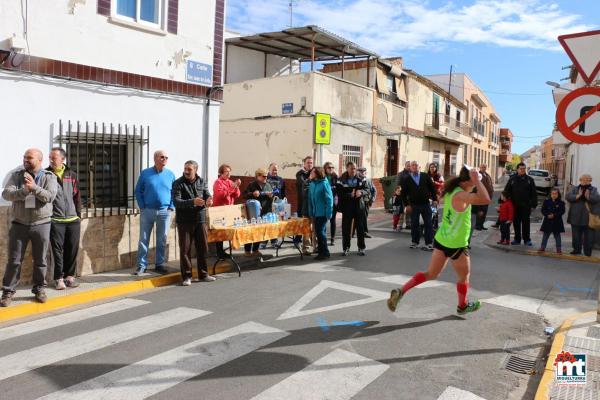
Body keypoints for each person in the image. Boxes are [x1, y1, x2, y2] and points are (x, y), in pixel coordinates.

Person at [387, 166, 491, 315]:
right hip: (457, 243)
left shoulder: (452, 190)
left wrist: (474, 181)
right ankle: (462, 306)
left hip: (442, 239)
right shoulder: (461, 195)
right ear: (469, 181)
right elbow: (486, 199)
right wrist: (477, 180)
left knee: (431, 274)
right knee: (463, 277)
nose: (476, 185)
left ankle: (401, 291)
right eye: (474, 183)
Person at [1, 149, 58, 306]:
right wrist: (23, 191)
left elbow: (50, 196)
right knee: (14, 260)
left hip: (42, 224)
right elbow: (6, 194)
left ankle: (39, 288)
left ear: (39, 160)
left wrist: (34, 188)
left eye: (29, 157)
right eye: (24, 157)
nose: (25, 159)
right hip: (19, 224)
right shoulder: (16, 175)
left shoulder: (49, 177)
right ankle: (8, 291)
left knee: (40, 260)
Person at [172, 160, 216, 286]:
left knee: (202, 248)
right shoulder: (178, 183)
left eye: (189, 169)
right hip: (184, 221)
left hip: (200, 219)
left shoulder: (201, 181)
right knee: (185, 249)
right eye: (185, 168)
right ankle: (186, 276)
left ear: (195, 170)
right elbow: (176, 202)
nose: (186, 171)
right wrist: (192, 202)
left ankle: (203, 274)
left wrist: (209, 200)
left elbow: (207, 194)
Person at [133, 150, 176, 275]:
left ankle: (160, 264)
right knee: (143, 239)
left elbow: (174, 192)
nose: (164, 159)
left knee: (162, 239)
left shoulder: (170, 174)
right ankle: (142, 265)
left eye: (166, 157)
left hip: (164, 211)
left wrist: (171, 206)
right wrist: (142, 206)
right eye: (162, 157)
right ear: (155, 158)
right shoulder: (145, 173)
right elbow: (138, 191)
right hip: (148, 211)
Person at [47, 148, 81, 290]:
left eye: (54, 157)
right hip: (56, 220)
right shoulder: (47, 174)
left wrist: (78, 215)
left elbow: (77, 196)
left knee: (72, 249)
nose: (51, 160)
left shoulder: (71, 174)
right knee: (57, 251)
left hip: (73, 220)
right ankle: (58, 278)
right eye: (50, 157)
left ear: (62, 159)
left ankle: (70, 276)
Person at [401, 161, 438, 251]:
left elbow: (432, 188)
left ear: (419, 167)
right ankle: (415, 242)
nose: (414, 167)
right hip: (414, 205)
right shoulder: (407, 178)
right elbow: (403, 193)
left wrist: (435, 199)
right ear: (410, 167)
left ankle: (429, 243)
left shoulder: (425, 176)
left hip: (425, 204)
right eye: (412, 165)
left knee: (428, 223)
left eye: (416, 165)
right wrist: (407, 205)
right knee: (414, 224)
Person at [337, 161, 368, 256]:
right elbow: (339, 193)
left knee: (360, 228)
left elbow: (367, 189)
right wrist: (349, 195)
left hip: (359, 206)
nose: (353, 170)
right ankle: (346, 248)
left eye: (355, 168)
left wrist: (361, 192)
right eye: (351, 168)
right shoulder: (341, 179)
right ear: (347, 168)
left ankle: (361, 248)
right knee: (346, 228)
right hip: (347, 207)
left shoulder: (362, 178)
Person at [566, 174, 600, 257]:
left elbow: (597, 199)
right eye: (583, 179)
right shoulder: (575, 188)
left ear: (590, 181)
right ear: (580, 180)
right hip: (575, 216)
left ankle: (587, 252)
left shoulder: (594, 189)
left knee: (589, 237)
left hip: (588, 217)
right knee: (576, 235)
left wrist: (588, 197)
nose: (585, 181)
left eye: (587, 179)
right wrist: (577, 196)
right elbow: (568, 196)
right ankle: (576, 250)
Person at [212, 164, 241, 258]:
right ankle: (219, 252)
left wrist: (236, 187)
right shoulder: (218, 182)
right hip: (220, 210)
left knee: (227, 230)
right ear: (221, 173)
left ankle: (224, 252)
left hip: (229, 210)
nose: (229, 173)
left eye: (229, 171)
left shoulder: (230, 182)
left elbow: (237, 195)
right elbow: (221, 195)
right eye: (226, 171)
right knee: (219, 232)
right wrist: (232, 188)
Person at [504, 162, 537, 246]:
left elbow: (534, 193)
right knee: (516, 223)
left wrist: (533, 205)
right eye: (521, 169)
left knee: (526, 223)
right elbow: (506, 191)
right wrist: (503, 203)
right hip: (515, 206)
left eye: (524, 169)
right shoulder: (512, 179)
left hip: (526, 206)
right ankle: (517, 239)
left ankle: (527, 240)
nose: (522, 170)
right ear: (517, 169)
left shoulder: (530, 180)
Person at [244, 168, 274, 256]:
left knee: (259, 232)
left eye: (266, 176)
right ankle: (247, 250)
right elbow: (245, 195)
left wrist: (271, 196)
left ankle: (256, 249)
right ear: (258, 176)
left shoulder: (268, 185)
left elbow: (271, 198)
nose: (266, 178)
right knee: (250, 231)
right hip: (253, 212)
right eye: (264, 176)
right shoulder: (252, 185)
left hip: (265, 211)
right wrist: (252, 194)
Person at [308, 167, 334, 260]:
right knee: (319, 232)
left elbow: (329, 199)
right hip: (315, 213)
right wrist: (311, 212)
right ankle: (322, 250)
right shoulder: (312, 184)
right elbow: (310, 199)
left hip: (323, 213)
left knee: (320, 232)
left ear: (317, 173)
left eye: (312, 172)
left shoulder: (324, 184)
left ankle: (325, 252)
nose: (311, 173)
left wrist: (329, 213)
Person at [262, 163, 286, 249]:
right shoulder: (265, 178)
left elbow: (283, 193)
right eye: (273, 169)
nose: (274, 171)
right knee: (266, 223)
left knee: (275, 223)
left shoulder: (281, 179)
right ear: (269, 169)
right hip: (266, 204)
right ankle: (264, 242)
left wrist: (282, 202)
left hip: (277, 204)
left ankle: (274, 241)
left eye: (276, 169)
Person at [295, 156, 314, 254]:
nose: (310, 164)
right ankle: (299, 242)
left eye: (311, 162)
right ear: (304, 163)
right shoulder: (300, 174)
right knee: (303, 224)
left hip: (314, 204)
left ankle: (314, 246)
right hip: (303, 203)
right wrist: (310, 179)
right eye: (308, 162)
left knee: (312, 227)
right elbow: (302, 184)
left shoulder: (314, 172)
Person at [539, 188, 565, 254]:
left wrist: (554, 215)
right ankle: (542, 247)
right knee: (545, 235)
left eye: (555, 194)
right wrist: (547, 215)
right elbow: (543, 210)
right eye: (552, 193)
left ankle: (558, 248)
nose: (554, 195)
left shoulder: (561, 203)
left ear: (558, 194)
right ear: (550, 194)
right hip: (547, 221)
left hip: (557, 221)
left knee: (557, 236)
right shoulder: (546, 201)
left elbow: (562, 211)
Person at [357, 167, 376, 239]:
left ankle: (364, 232)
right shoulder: (356, 180)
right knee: (358, 217)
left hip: (366, 201)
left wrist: (372, 199)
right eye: (361, 172)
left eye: (364, 172)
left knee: (364, 217)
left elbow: (374, 190)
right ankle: (355, 232)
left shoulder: (368, 180)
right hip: (357, 201)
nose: (363, 173)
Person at [475, 164, 494, 230]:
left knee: (485, 211)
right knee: (480, 212)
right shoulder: (478, 175)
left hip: (487, 197)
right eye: (483, 167)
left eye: (485, 167)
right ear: (480, 167)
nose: (484, 168)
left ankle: (482, 224)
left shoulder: (487, 175)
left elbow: (490, 184)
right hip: (481, 197)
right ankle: (477, 225)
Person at [324, 162, 338, 246]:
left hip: (333, 201)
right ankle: (323, 237)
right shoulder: (322, 176)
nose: (331, 169)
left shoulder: (335, 176)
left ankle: (332, 238)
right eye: (329, 167)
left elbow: (338, 188)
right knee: (324, 220)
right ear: (325, 168)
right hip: (324, 201)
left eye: (332, 167)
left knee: (333, 220)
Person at [396, 161, 412, 229]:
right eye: (407, 166)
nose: (409, 167)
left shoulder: (412, 174)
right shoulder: (401, 174)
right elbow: (398, 183)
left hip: (410, 194)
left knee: (409, 209)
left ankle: (408, 224)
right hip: (402, 194)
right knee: (402, 210)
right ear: (405, 166)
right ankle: (400, 224)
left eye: (409, 166)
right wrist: (398, 191)